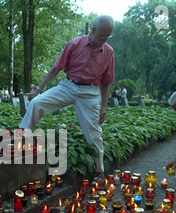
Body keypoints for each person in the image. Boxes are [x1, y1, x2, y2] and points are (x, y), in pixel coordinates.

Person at [18, 15, 115, 183]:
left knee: (94, 132)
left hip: (90, 93)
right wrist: (38, 90)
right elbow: (56, 68)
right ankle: (20, 140)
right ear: (93, 30)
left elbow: (106, 82)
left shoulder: (109, 52)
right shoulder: (75, 44)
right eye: (102, 36)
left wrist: (104, 106)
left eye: (108, 37)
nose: (104, 40)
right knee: (36, 103)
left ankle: (100, 171)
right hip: (68, 86)